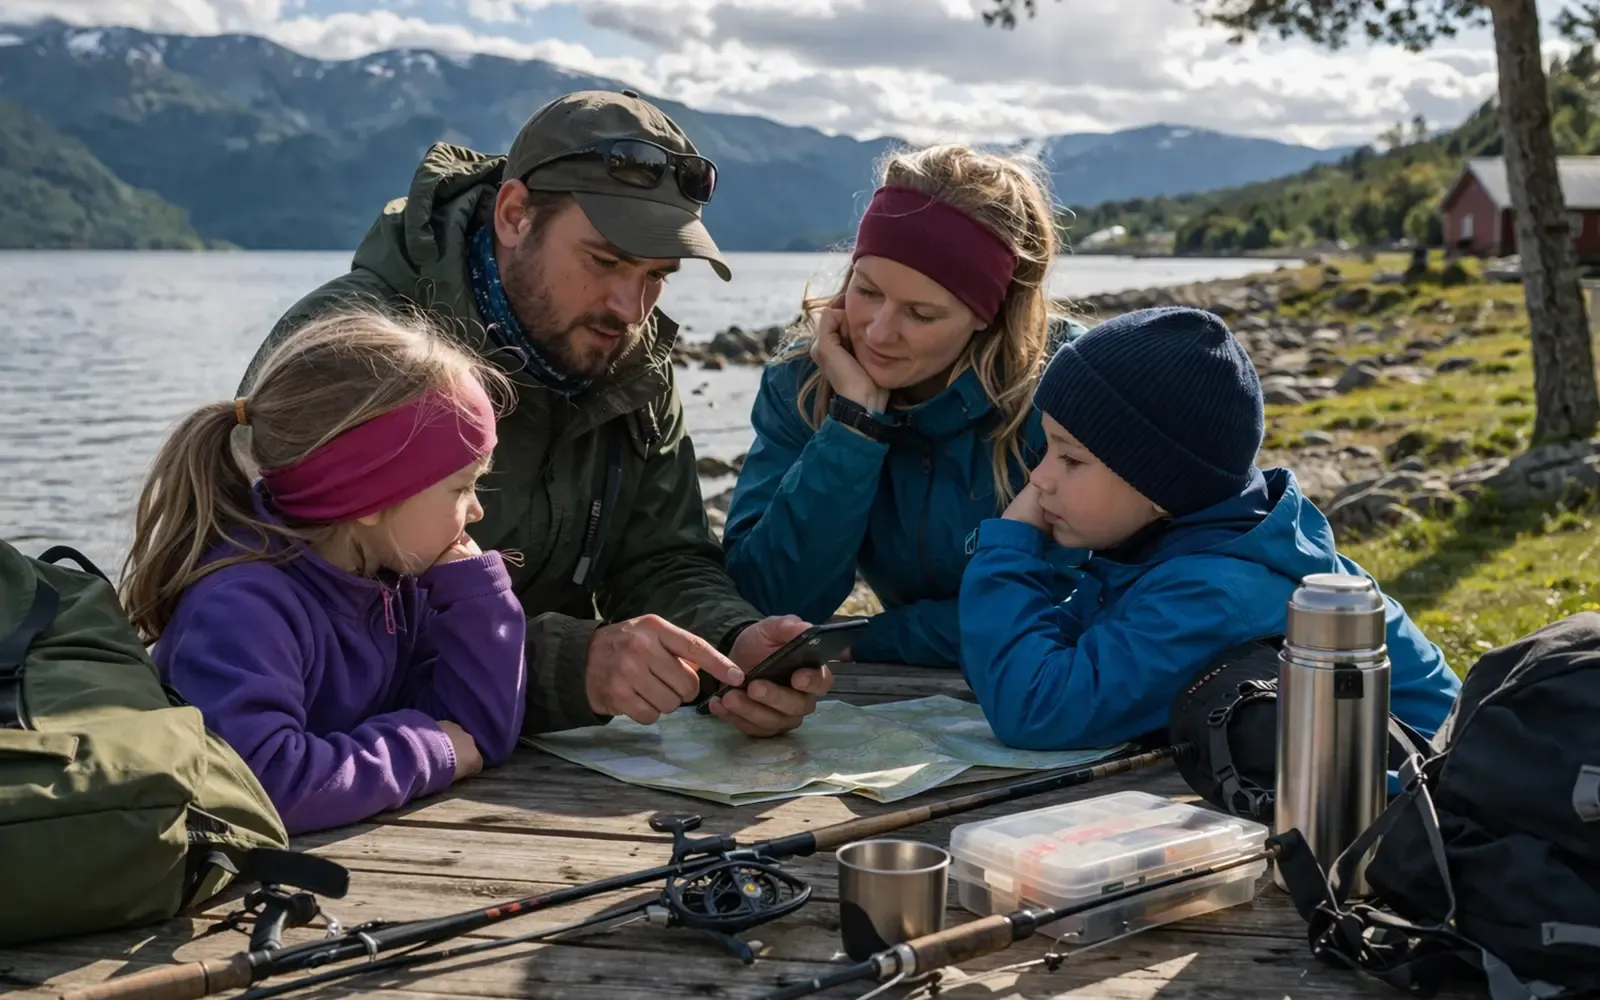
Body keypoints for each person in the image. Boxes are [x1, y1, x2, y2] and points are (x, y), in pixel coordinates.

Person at [245, 90, 831, 739]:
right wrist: (568, 665)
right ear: (515, 214)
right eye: (604, 261)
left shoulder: (631, 361)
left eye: (657, 275)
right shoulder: (355, 349)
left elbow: (662, 560)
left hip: (534, 767)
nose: (630, 308)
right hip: (348, 770)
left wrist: (730, 643)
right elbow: (272, 615)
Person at [958, 306, 1463, 750]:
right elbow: (1026, 663)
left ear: (1159, 485)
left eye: (1070, 458)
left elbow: (1036, 708)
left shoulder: (1215, 593)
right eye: (1047, 449)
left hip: (1424, 816)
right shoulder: (1171, 548)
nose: (1039, 478)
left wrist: (1011, 548)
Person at [120, 309, 527, 834]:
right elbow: (262, 783)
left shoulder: (392, 578)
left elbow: (480, 733)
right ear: (372, 496)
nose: (476, 512)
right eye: (461, 487)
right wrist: (428, 750)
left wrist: (478, 598)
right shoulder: (242, 606)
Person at [720, 144, 1086, 667]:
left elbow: (1070, 608)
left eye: (921, 314)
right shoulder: (804, 380)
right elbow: (764, 606)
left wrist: (871, 640)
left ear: (991, 315)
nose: (879, 332)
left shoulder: (1066, 389)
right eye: (867, 291)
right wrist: (853, 426)